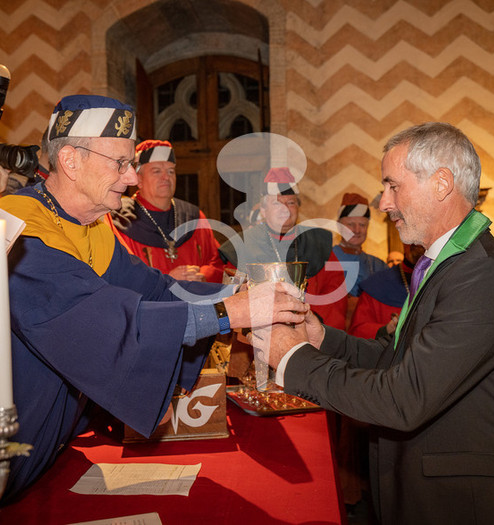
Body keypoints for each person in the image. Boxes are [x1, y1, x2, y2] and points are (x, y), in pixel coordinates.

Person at [0, 94, 307, 503]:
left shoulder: (90, 226)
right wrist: (226, 312)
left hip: (53, 450)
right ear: (71, 161)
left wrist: (241, 294)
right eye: (120, 163)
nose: (131, 178)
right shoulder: (19, 231)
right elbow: (103, 324)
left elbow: (157, 290)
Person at [252, 122, 494, 525]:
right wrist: (321, 338)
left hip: (460, 503)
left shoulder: (483, 274)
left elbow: (403, 397)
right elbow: (394, 356)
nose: (384, 203)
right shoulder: (446, 262)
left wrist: (293, 358)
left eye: (393, 186)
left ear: (441, 184)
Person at [219, 167, 347, 330]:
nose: (285, 208)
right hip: (258, 332)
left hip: (310, 329)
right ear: (263, 210)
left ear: (298, 207)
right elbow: (232, 295)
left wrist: (308, 322)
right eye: (276, 203)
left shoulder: (317, 242)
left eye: (291, 203)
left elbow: (335, 292)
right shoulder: (242, 244)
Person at [113, 140, 224, 282]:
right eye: (157, 171)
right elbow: (120, 275)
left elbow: (217, 263)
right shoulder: (120, 220)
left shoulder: (193, 217)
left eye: (171, 171)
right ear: (138, 179)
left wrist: (202, 276)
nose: (166, 177)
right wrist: (166, 281)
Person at [332, 193, 388, 330]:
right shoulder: (324, 259)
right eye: (350, 224)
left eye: (362, 225)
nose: (356, 230)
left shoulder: (379, 265)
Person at [349, 243, 424, 339]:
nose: (419, 243)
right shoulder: (376, 284)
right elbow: (358, 331)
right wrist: (386, 329)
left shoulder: (442, 279)